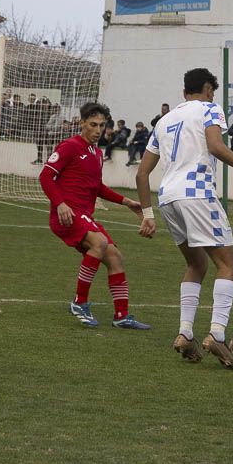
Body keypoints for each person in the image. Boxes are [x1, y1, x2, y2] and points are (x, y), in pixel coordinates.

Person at [136, 68, 233, 368]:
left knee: (196, 264)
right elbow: (216, 146)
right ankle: (217, 335)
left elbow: (142, 173)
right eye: (212, 91)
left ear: (185, 92)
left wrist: (147, 215)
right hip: (196, 192)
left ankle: (185, 333)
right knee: (228, 264)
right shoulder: (210, 108)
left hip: (168, 197)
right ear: (208, 90)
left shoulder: (163, 121)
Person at [38, 101, 149, 330]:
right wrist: (60, 205)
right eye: (93, 124)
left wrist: (126, 201)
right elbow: (46, 177)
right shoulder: (70, 146)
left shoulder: (96, 153)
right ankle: (79, 303)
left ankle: (121, 315)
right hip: (67, 215)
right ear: (82, 124)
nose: (98, 130)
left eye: (102, 125)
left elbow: (97, 187)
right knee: (98, 243)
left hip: (83, 216)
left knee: (114, 255)